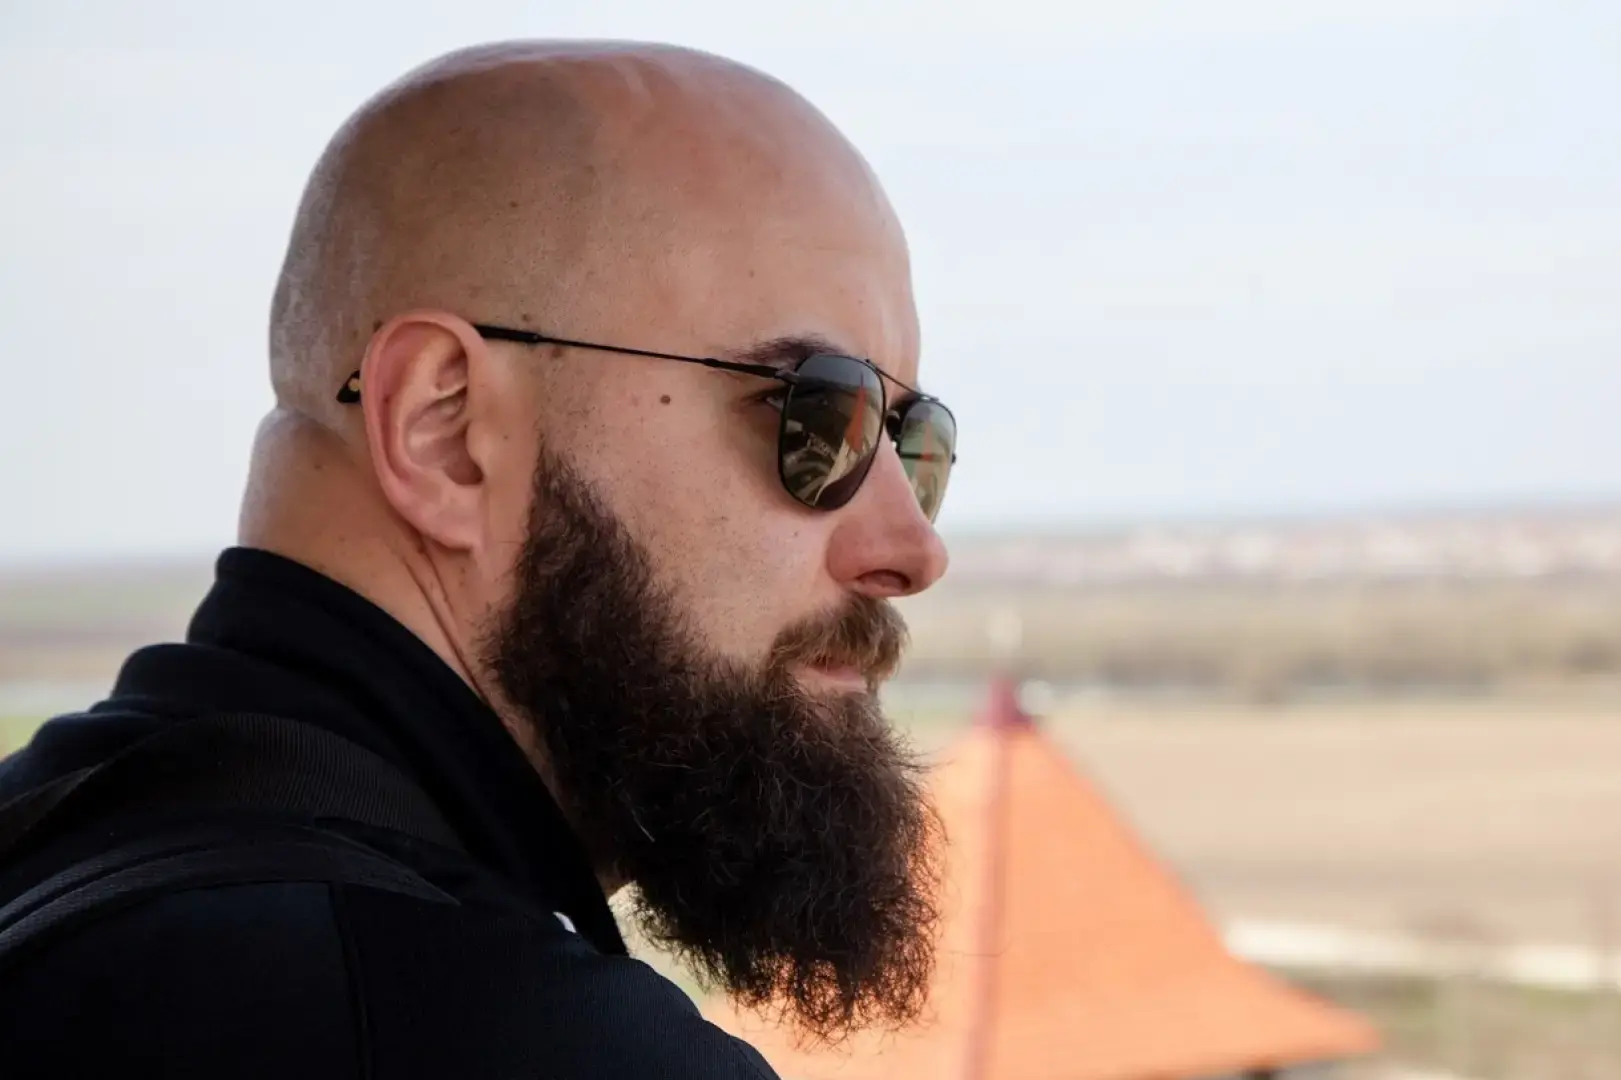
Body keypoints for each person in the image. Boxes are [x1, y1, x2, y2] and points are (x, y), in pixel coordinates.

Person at [0, 39, 958, 1078]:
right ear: (445, 430)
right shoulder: (516, 1041)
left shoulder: (48, 848)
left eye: (911, 441)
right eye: (816, 415)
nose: (912, 548)